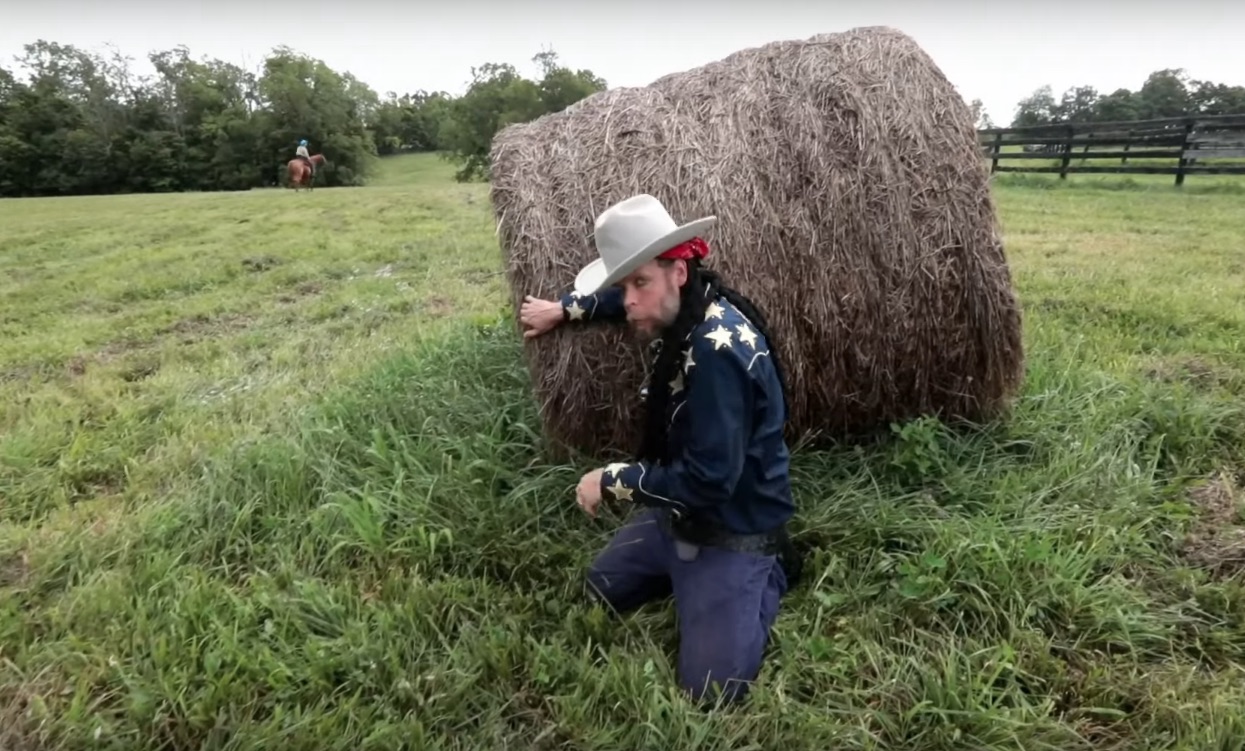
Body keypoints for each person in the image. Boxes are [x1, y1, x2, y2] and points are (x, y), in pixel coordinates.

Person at [519, 193, 801, 705]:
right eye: (623, 286)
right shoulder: (685, 306)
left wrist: (613, 479)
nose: (628, 301)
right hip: (678, 512)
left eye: (639, 283)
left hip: (733, 522)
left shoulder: (720, 355)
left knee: (712, 690)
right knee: (602, 588)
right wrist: (568, 309)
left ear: (680, 271)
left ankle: (765, 568)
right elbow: (628, 294)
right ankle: (691, 577)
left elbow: (710, 481)